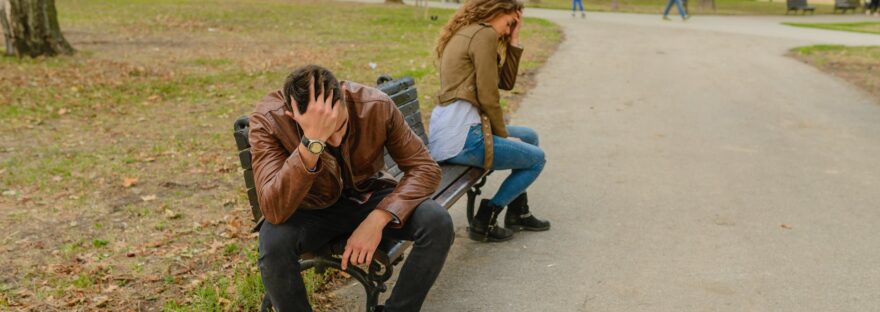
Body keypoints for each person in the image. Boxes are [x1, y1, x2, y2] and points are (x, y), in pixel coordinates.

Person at [249, 65, 452, 311]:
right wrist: (312, 143)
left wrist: (378, 218)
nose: (333, 140)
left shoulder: (374, 105)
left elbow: (425, 168)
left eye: (339, 126)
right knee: (273, 244)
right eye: (325, 134)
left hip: (367, 196)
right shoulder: (269, 119)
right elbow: (273, 209)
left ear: (344, 99)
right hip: (308, 206)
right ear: (293, 115)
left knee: (437, 222)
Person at [431, 0, 550, 243]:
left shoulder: (472, 31)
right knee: (537, 159)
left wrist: (514, 40)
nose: (508, 30)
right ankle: (486, 217)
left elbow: (504, 83)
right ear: (497, 11)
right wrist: (503, 135)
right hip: (463, 137)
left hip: (456, 130)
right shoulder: (483, 34)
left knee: (529, 137)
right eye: (509, 24)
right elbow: (488, 96)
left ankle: (518, 213)